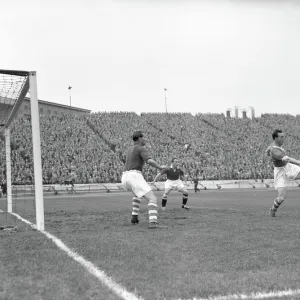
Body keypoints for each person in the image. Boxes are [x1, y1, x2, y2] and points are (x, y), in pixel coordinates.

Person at [121, 131, 167, 229]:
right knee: (152, 198)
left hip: (125, 176)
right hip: (134, 175)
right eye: (144, 137)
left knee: (137, 195)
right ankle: (153, 223)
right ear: (139, 138)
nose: (145, 139)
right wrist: (159, 167)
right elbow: (149, 160)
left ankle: (134, 217)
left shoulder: (130, 149)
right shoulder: (141, 148)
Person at [266, 129, 300, 217]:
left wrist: (267, 152)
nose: (283, 139)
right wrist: (298, 162)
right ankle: (273, 210)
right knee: (280, 198)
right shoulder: (275, 151)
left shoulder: (273, 146)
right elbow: (287, 159)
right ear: (275, 138)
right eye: (281, 137)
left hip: (288, 167)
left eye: (283, 137)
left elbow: (268, 150)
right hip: (280, 172)